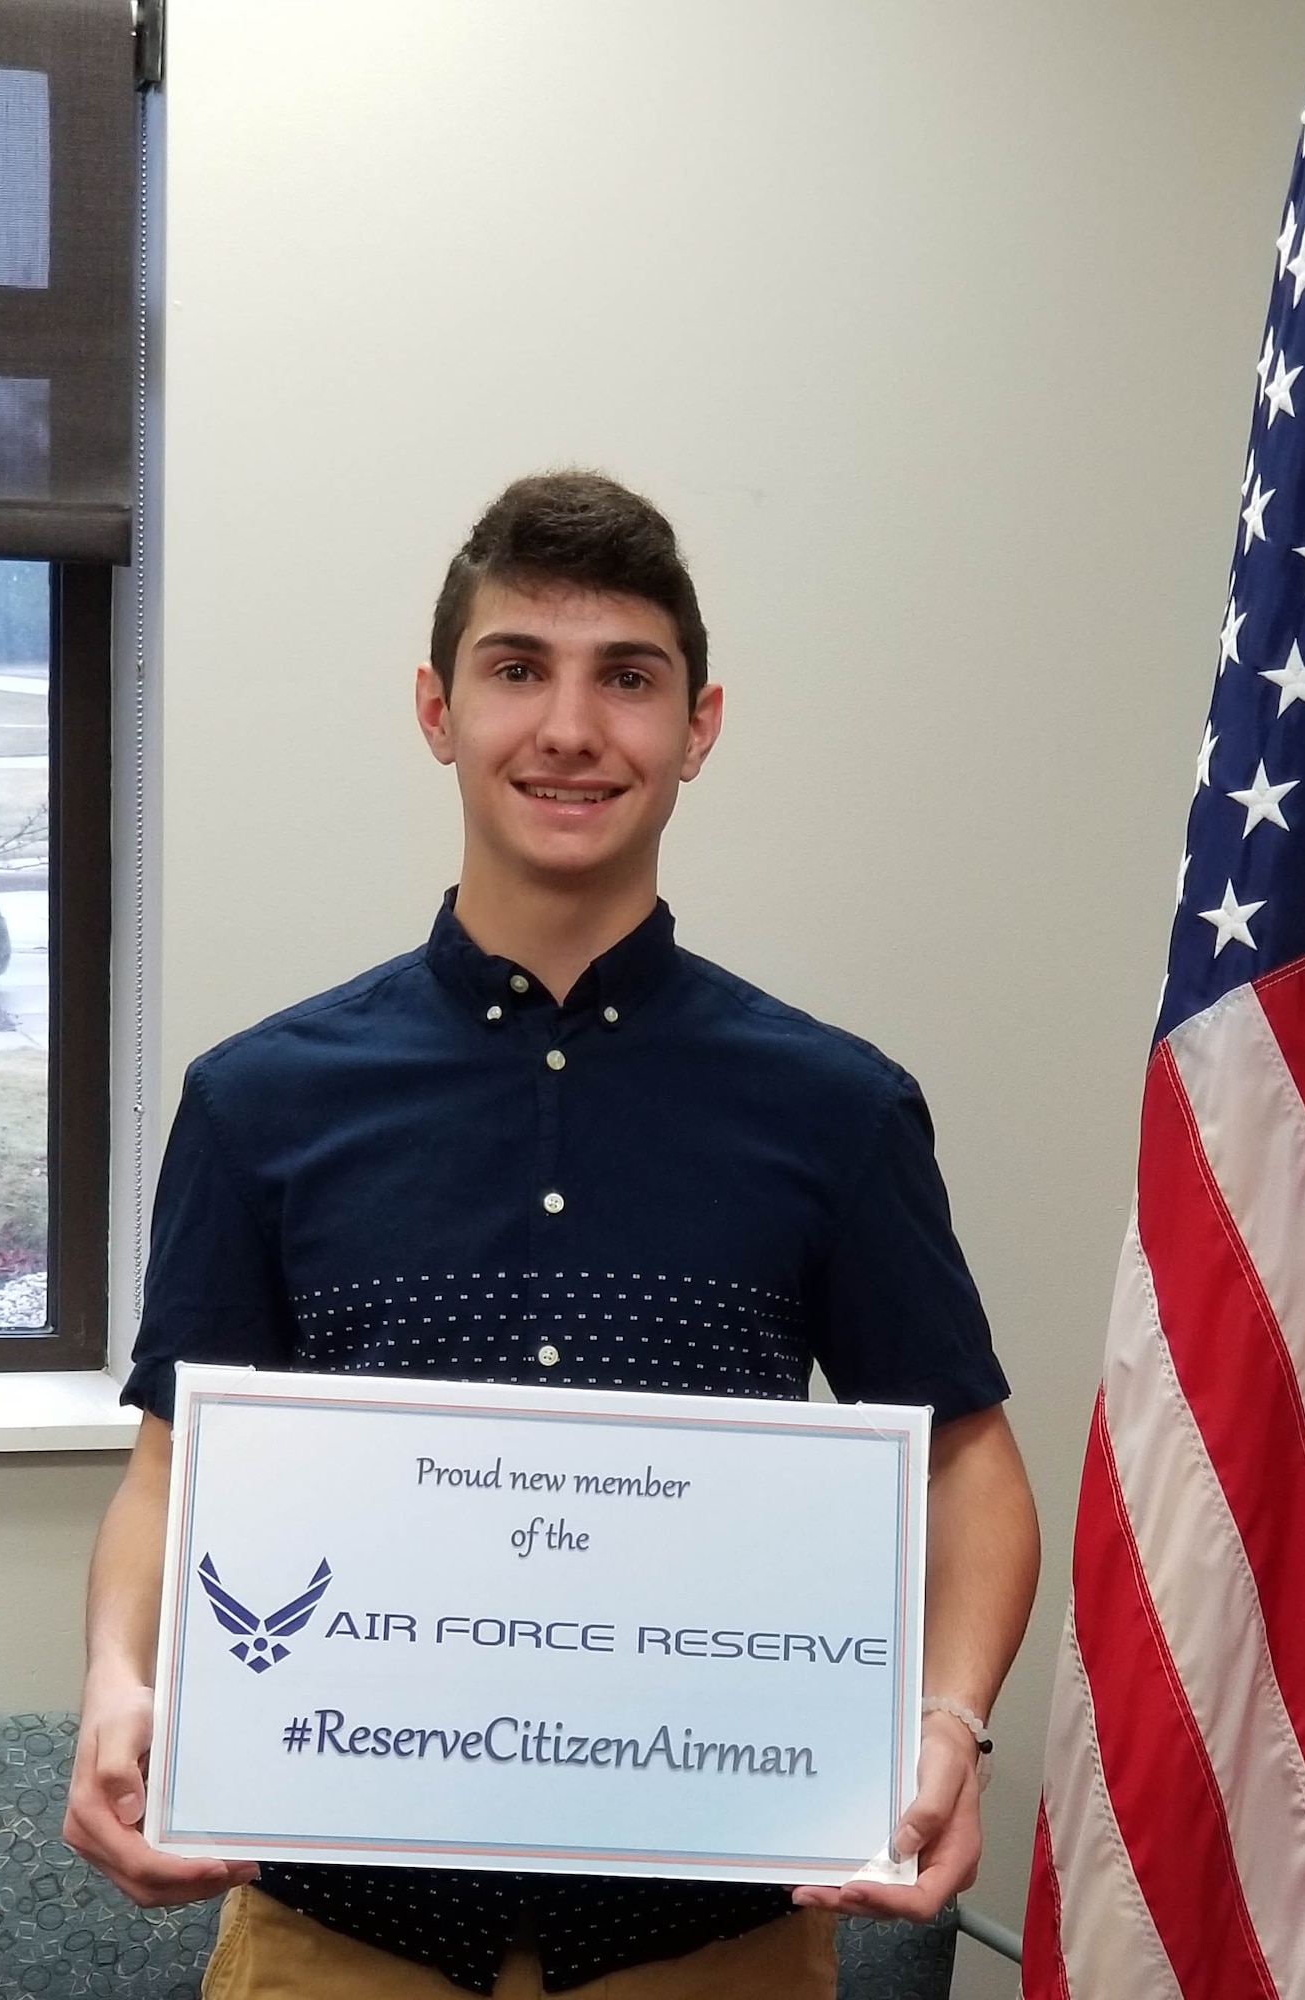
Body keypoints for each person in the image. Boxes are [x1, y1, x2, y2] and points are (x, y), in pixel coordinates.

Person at [63, 472, 1041, 1999]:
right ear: (436, 710)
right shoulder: (260, 1100)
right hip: (338, 1938)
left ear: (700, 726)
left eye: (627, 679)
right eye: (518, 668)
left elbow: (971, 1462)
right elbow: (175, 1462)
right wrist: (121, 1682)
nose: (571, 729)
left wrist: (948, 1717)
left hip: (715, 1947)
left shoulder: (837, 1110)